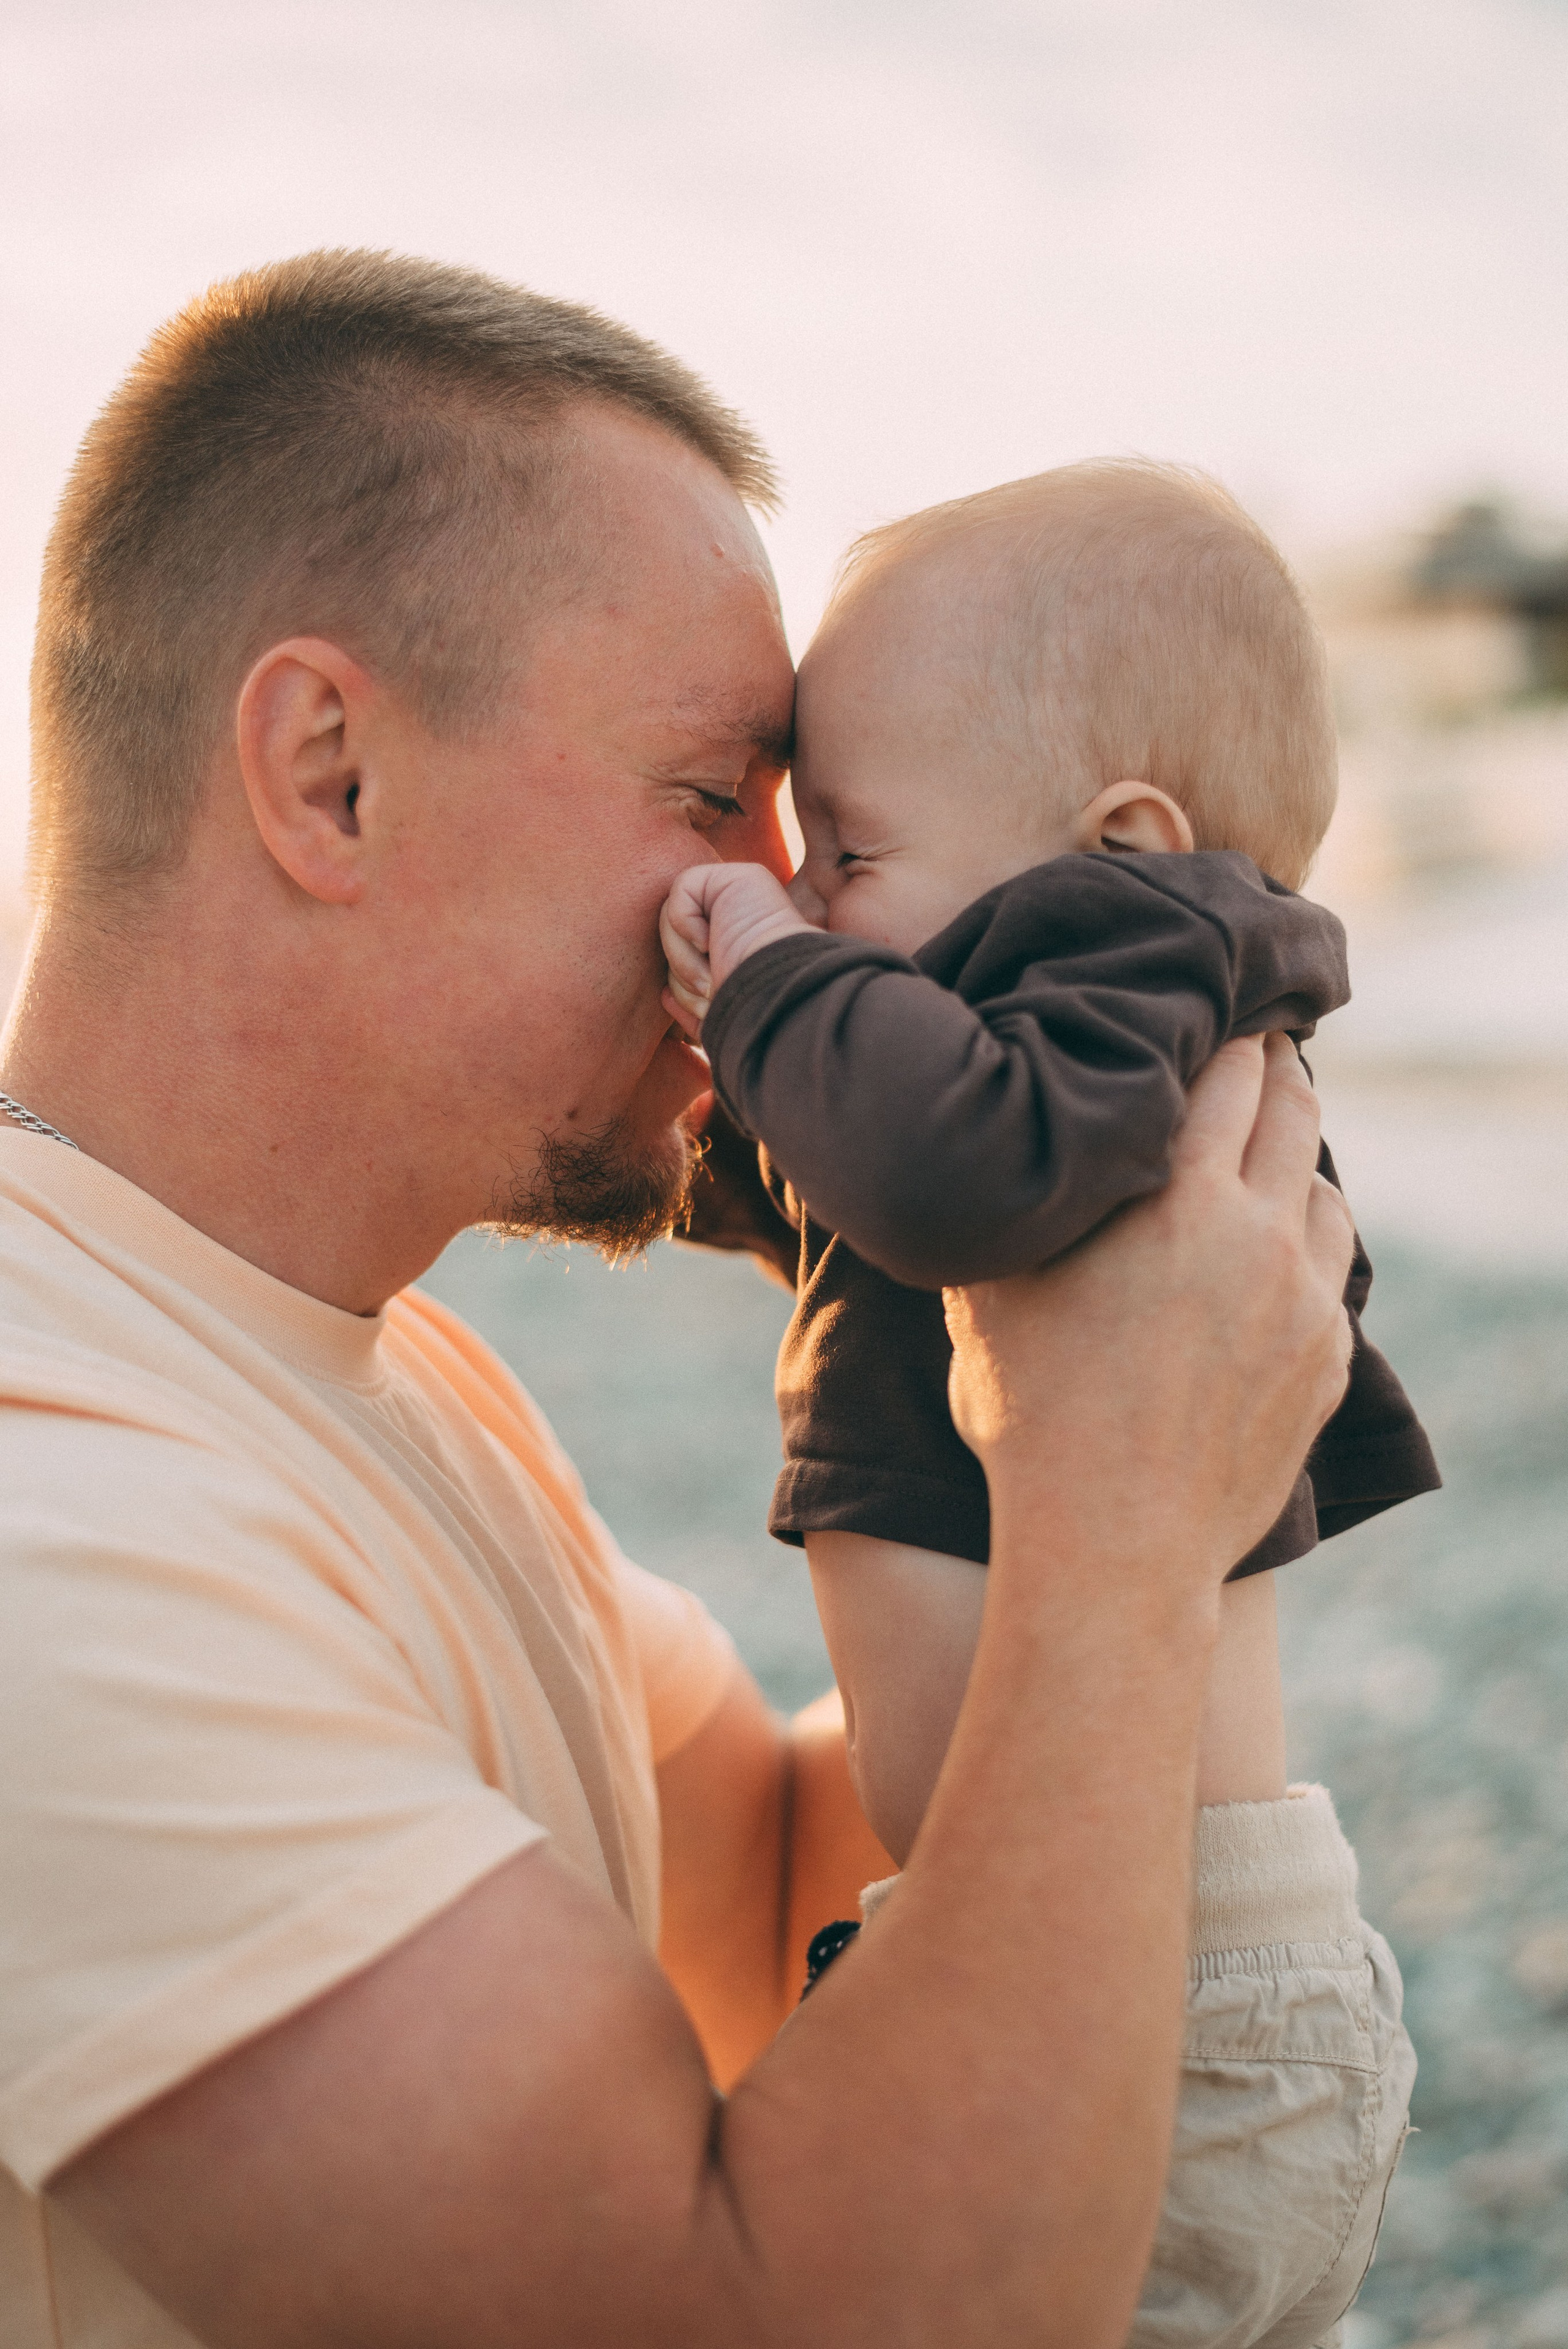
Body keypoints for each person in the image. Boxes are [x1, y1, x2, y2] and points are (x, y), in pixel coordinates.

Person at [1, 250, 1355, 2349]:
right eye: (711, 793)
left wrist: (1058, 1381)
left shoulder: (376, 1378)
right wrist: (1115, 1532)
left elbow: (762, 1876)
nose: (792, 906)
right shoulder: (58, 1528)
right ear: (331, 771)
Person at [662, 462, 1427, 2343]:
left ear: (1118, 837)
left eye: (847, 848)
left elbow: (939, 1168)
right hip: (1115, 1959)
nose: (804, 897)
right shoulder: (1044, 1076)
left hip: (1175, 1999)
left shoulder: (1131, 965)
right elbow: (872, 1207)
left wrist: (767, 985)